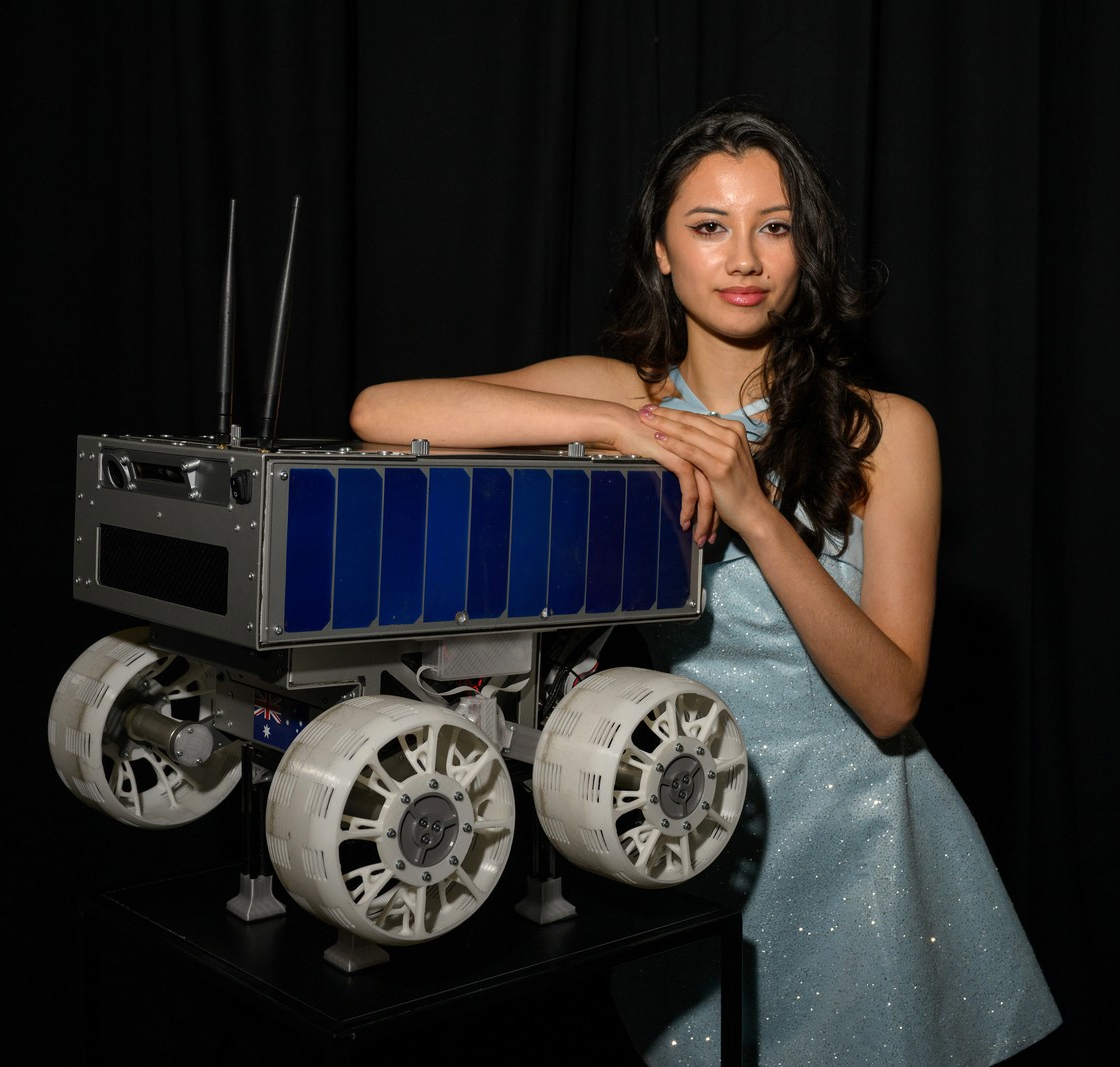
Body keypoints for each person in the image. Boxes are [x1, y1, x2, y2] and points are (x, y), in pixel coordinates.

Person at [348, 100, 1060, 1065]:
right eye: (710, 226)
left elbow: (893, 701)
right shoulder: (626, 394)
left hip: (866, 841)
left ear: (805, 250)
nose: (746, 258)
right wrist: (632, 428)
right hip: (685, 816)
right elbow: (379, 412)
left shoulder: (886, 430)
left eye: (775, 226)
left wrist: (756, 510)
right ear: (662, 252)